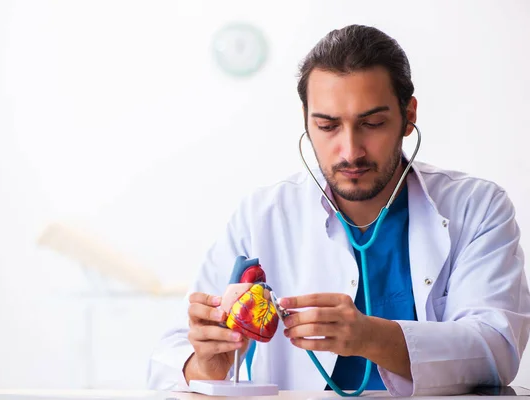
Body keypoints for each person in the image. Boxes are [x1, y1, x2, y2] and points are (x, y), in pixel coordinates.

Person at [146, 24, 530, 396]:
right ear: (306, 121)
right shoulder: (262, 215)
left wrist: (370, 337)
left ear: (409, 115)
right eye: (328, 126)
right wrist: (205, 366)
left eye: (373, 123)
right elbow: (165, 362)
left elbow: (497, 349)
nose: (350, 151)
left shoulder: (478, 207)